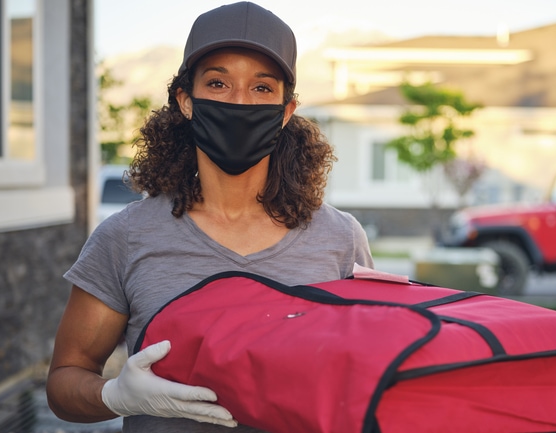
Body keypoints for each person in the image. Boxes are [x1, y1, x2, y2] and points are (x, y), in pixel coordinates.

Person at [46, 2, 374, 432]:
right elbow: (63, 383)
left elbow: (370, 368)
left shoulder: (339, 238)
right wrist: (114, 395)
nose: (240, 101)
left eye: (261, 88)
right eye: (218, 83)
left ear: (286, 111)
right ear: (186, 101)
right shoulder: (126, 237)